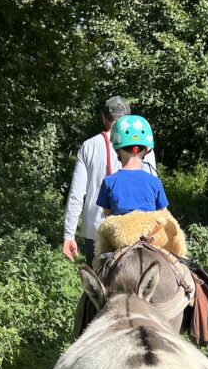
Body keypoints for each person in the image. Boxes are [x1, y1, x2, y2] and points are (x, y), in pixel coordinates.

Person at [62, 96, 157, 264]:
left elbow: (77, 193)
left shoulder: (88, 146)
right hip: (138, 232)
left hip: (97, 232)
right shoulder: (144, 146)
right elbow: (153, 190)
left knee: (98, 286)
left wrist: (69, 234)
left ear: (104, 117)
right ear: (128, 119)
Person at [96, 115, 168, 216]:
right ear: (146, 151)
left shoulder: (108, 182)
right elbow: (164, 218)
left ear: (116, 150)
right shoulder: (154, 182)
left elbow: (109, 221)